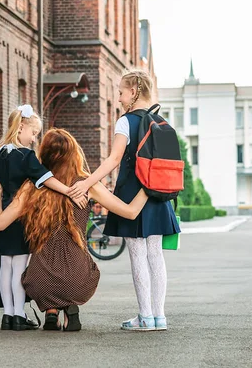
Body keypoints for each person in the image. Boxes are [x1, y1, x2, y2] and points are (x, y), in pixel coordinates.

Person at [0, 128, 148, 331]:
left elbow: (0, 224)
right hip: (78, 278)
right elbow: (130, 212)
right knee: (83, 269)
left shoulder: (32, 185)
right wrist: (149, 188)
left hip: (40, 281)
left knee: (37, 274)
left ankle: (51, 311)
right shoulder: (86, 184)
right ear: (74, 153)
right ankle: (70, 306)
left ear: (43, 154)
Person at [68, 70, 180, 331]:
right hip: (158, 193)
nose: (118, 98)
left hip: (132, 193)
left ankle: (145, 317)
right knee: (156, 254)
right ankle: (159, 317)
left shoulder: (125, 122)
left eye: (120, 92)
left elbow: (114, 159)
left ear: (133, 92)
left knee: (138, 255)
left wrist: (87, 182)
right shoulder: (162, 121)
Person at [0, 105, 86, 331]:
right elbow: (46, 178)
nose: (34, 140)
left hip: (3, 211)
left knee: (5, 267)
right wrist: (69, 191)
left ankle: (8, 315)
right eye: (33, 133)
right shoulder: (26, 156)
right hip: (21, 215)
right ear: (21, 128)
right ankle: (19, 315)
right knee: (19, 268)